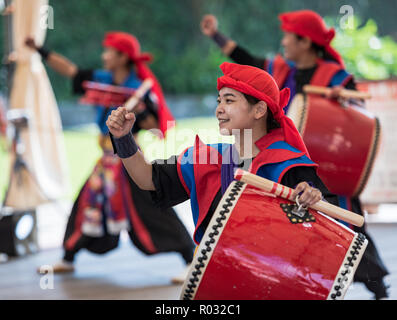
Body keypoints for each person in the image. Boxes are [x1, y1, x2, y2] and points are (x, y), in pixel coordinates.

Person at [200, 10, 389, 299]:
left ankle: (376, 283)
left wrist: (344, 100)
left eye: (289, 36)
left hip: (327, 163)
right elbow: (246, 59)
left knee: (344, 224)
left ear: (306, 42)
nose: (284, 42)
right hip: (288, 161)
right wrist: (216, 34)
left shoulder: (336, 77)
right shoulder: (280, 69)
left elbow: (357, 118)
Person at [107, 62, 338, 250]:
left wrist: (313, 200)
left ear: (259, 110)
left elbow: (328, 226)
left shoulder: (288, 166)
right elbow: (147, 178)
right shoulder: (209, 158)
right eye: (219, 101)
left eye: (229, 100)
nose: (219, 108)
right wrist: (123, 138)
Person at [25, 32, 194, 283]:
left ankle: (191, 259)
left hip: (130, 161)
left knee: (154, 207)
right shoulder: (101, 80)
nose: (104, 56)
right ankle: (69, 257)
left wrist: (140, 111)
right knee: (86, 206)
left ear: (123, 57)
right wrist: (41, 50)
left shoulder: (139, 87)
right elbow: (71, 70)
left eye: (109, 52)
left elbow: (154, 125)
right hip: (106, 161)